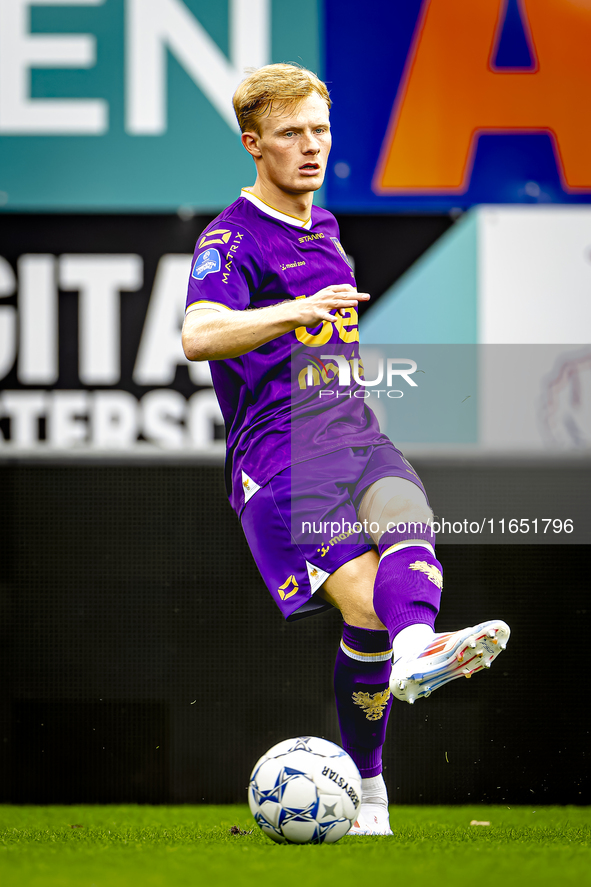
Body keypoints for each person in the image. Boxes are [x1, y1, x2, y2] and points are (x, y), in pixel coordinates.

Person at [182, 64, 510, 836]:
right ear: (253, 143)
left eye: (320, 130)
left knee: (408, 514)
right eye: (291, 133)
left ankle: (402, 696)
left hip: (353, 430)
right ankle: (380, 745)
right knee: (364, 608)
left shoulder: (323, 227)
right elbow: (197, 335)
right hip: (282, 458)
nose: (310, 146)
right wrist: (293, 308)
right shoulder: (230, 239)